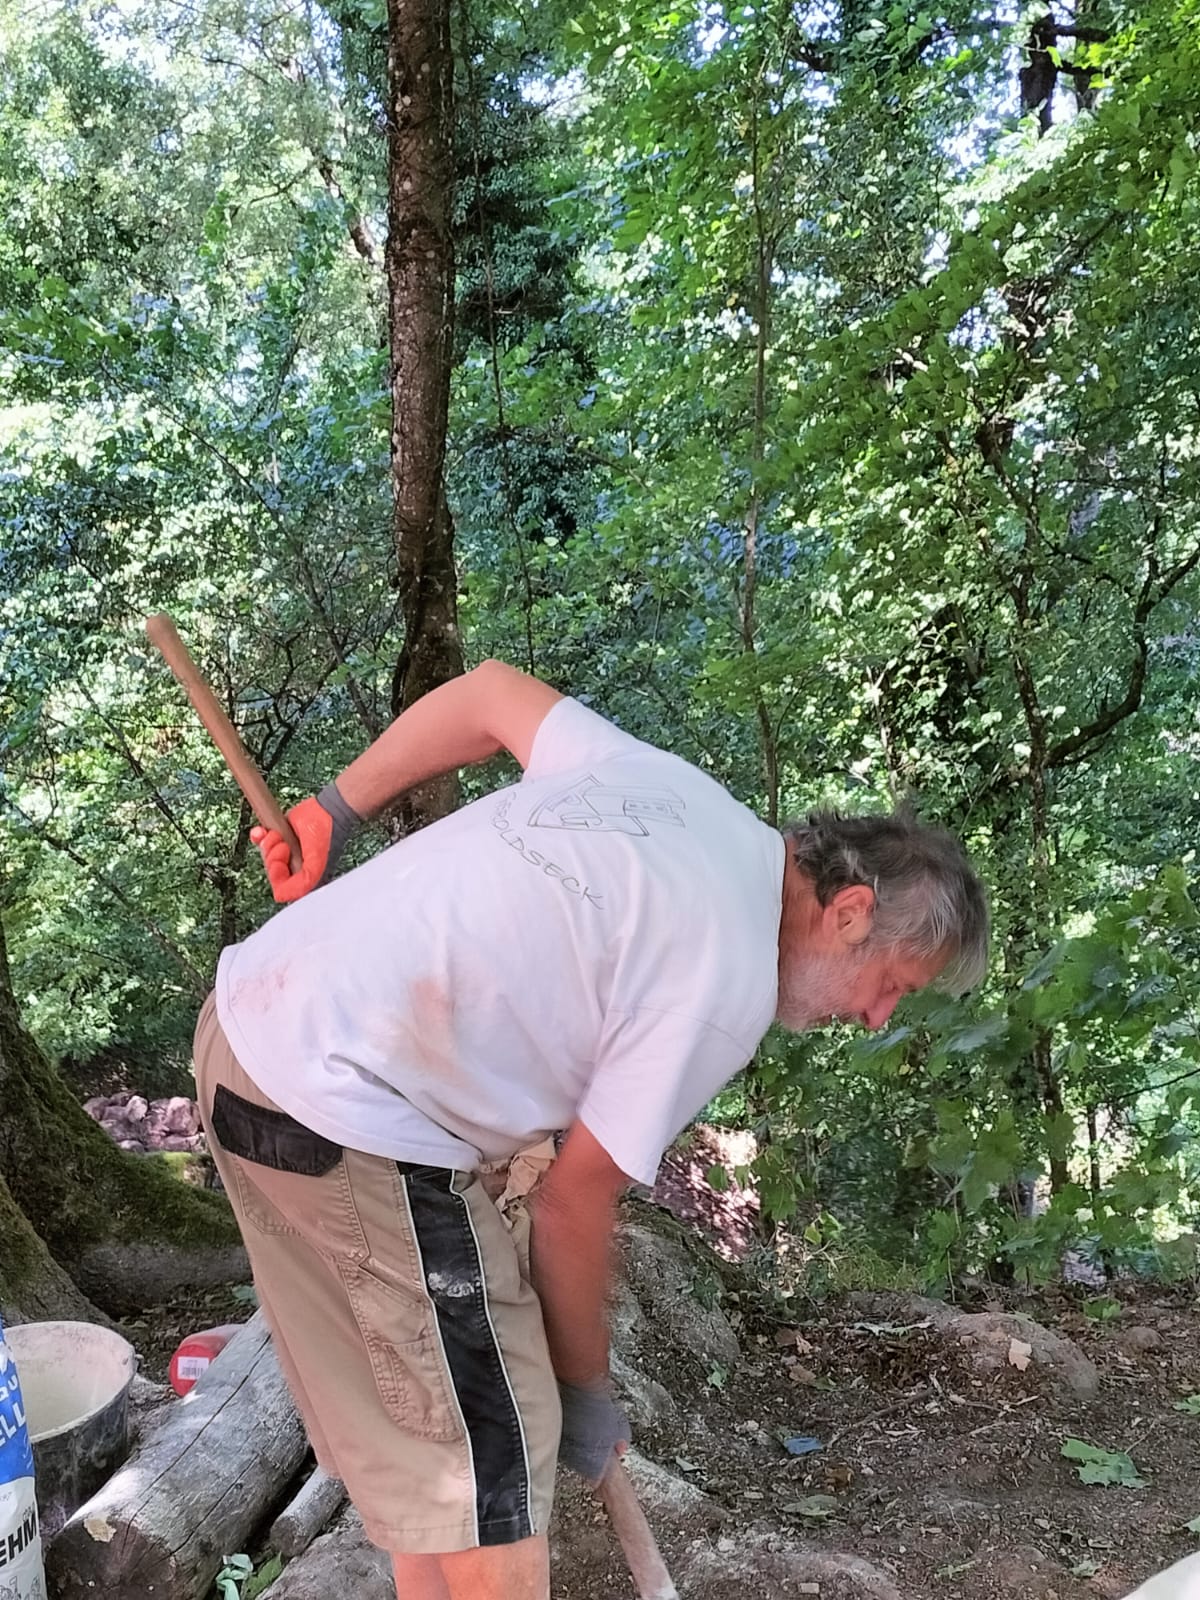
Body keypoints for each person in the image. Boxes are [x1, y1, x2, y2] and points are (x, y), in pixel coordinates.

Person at [193, 660, 988, 1600]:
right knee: (491, 1464)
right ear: (849, 912)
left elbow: (489, 693)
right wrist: (583, 1387)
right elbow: (575, 1202)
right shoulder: (724, 981)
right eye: (892, 986)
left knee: (435, 1460)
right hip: (347, 1103)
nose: (876, 1018)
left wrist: (335, 808)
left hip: (243, 1036)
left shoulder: (671, 790)